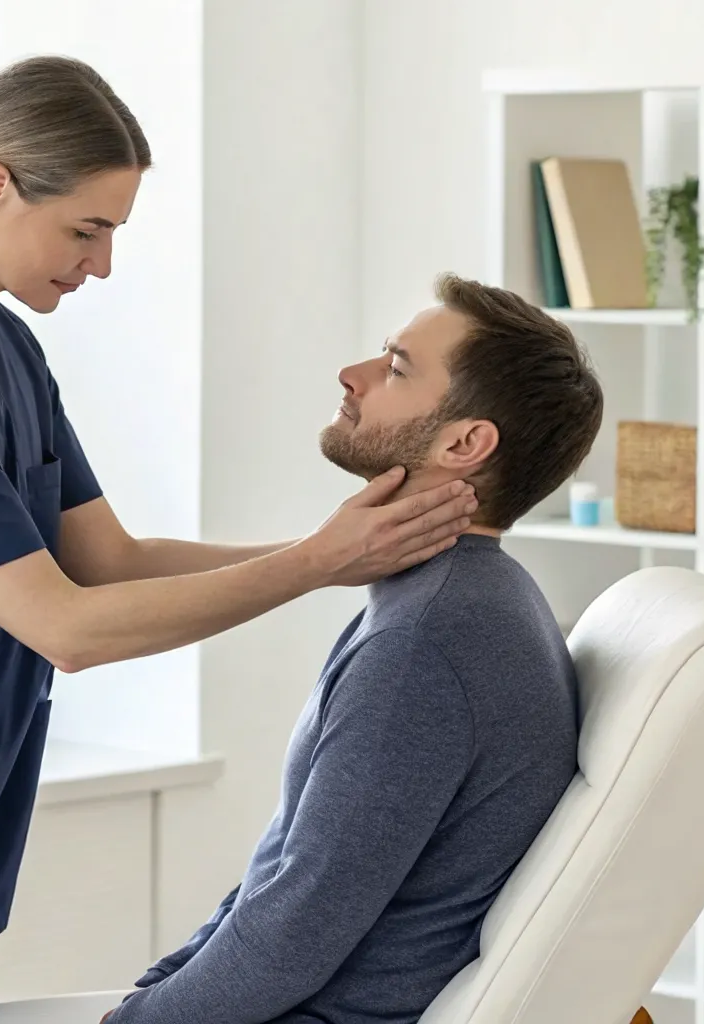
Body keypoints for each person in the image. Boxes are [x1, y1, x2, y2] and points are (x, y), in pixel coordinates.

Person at [0, 55, 478, 1024]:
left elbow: (109, 560)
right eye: (86, 229)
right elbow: (65, 626)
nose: (100, 263)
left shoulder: (5, 345)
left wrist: (330, 552)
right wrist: (318, 561)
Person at [104, 274, 604, 1024]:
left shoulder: (425, 642)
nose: (353, 375)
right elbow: (277, 882)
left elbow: (293, 936)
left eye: (397, 367)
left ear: (464, 443)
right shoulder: (462, 596)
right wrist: (154, 992)